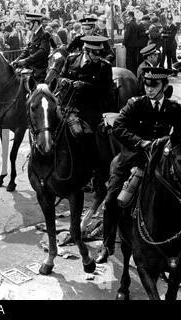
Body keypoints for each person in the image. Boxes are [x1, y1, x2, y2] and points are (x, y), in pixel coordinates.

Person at [96, 67, 181, 263]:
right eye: (147, 85)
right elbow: (118, 127)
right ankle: (107, 244)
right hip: (133, 159)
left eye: (154, 85)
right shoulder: (135, 105)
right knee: (111, 201)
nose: (149, 89)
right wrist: (140, 143)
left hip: (161, 161)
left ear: (164, 86)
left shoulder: (173, 108)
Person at [56, 35, 113, 196]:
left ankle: (94, 174)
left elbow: (106, 90)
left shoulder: (104, 66)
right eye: (94, 54)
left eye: (100, 53)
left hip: (90, 108)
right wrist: (64, 81)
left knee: (89, 137)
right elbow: (60, 76)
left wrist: (85, 86)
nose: (98, 57)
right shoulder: (72, 59)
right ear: (85, 51)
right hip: (69, 104)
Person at [11, 13, 51, 83]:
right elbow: (27, 50)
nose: (27, 26)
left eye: (29, 24)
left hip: (39, 70)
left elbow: (43, 51)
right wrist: (17, 60)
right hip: (30, 67)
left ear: (35, 23)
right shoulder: (33, 34)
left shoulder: (45, 34)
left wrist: (26, 60)